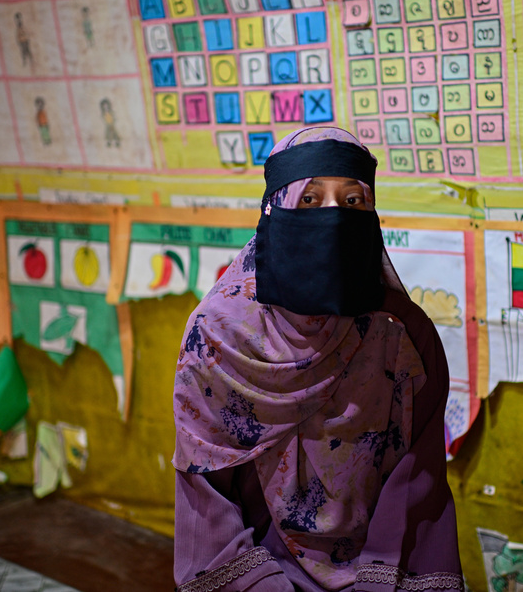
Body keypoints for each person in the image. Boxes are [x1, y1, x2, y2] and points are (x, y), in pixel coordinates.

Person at [173, 127, 463, 592]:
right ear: (274, 210)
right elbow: (208, 501)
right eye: (309, 201)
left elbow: (415, 484)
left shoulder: (402, 334)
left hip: (378, 571)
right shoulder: (219, 335)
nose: (334, 217)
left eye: (352, 202)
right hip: (258, 568)